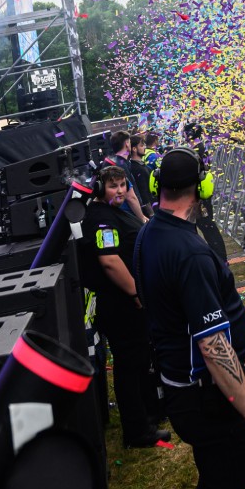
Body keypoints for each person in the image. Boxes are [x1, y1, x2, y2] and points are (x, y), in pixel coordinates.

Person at [134, 147, 245, 489]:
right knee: (228, 488)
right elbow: (214, 348)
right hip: (206, 397)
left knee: (217, 485)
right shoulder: (189, 253)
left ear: (158, 186)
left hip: (183, 389)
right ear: (201, 188)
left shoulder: (150, 233)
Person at [79, 165, 165, 447]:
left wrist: (130, 200)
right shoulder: (100, 218)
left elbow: (142, 228)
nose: (119, 190)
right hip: (120, 304)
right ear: (101, 188)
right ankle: (138, 431)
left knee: (139, 360)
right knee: (129, 365)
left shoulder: (114, 211)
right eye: (113, 186)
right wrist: (136, 293)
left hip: (127, 303)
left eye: (122, 185)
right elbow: (110, 261)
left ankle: (147, 417)